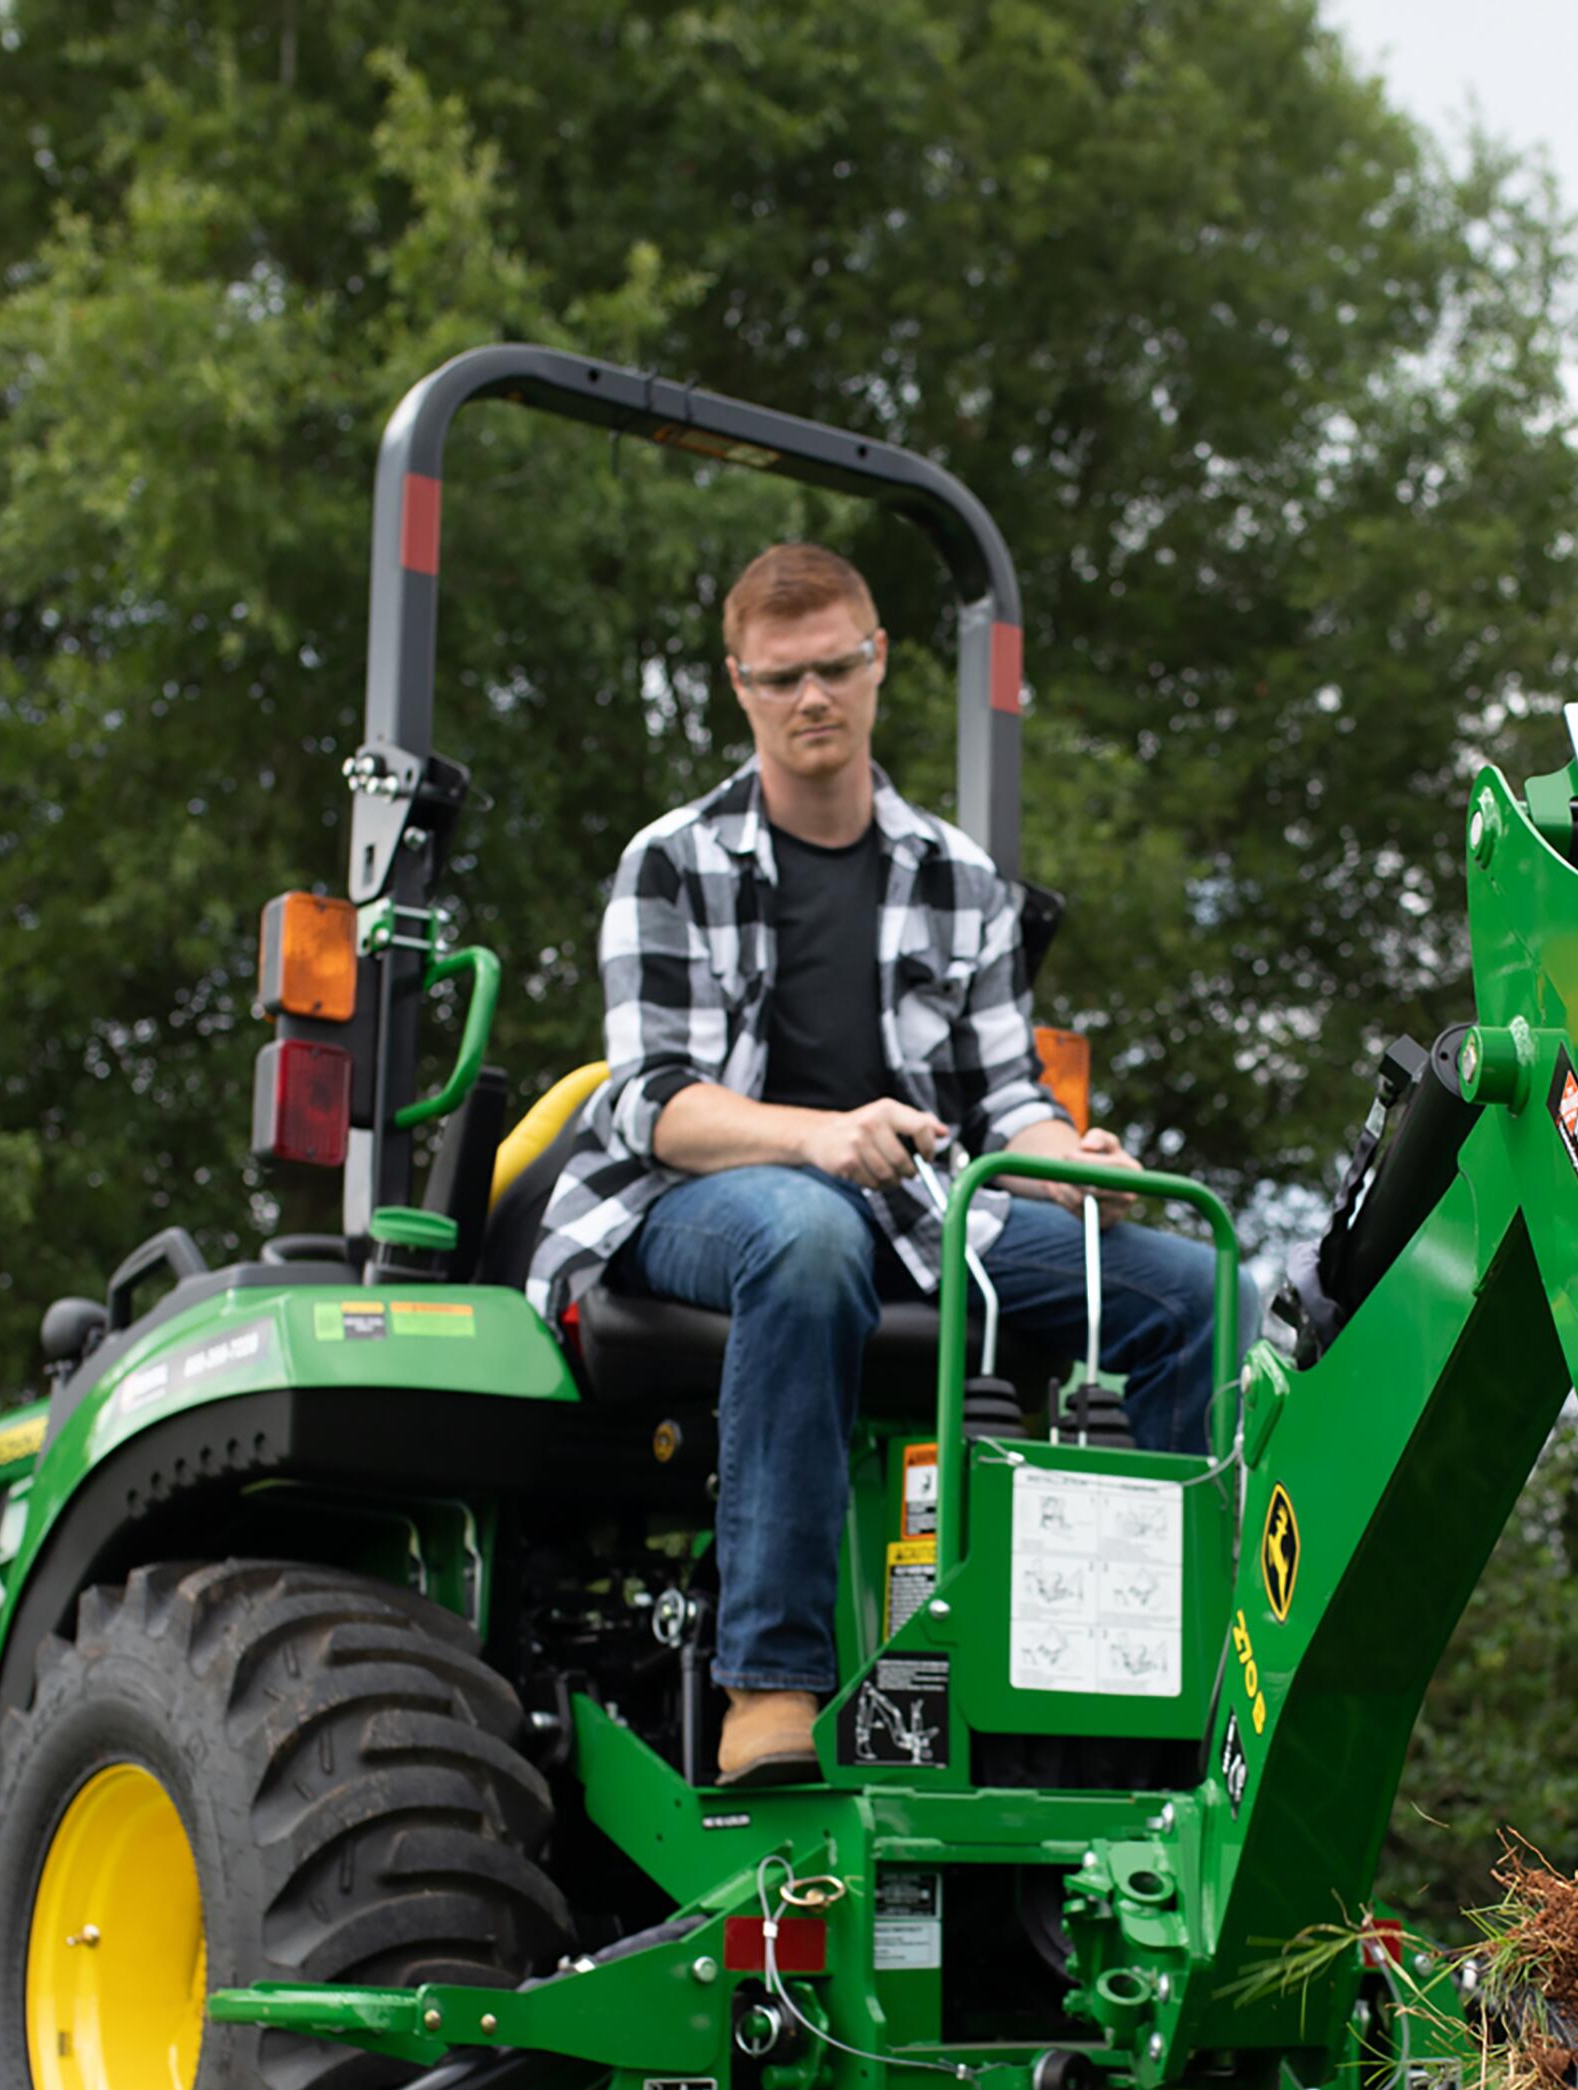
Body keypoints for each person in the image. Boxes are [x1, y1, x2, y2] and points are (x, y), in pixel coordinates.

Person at [523, 542, 1221, 1784]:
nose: (813, 700)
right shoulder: (670, 862)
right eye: (782, 678)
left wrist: (1072, 1160)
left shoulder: (958, 877)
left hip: (913, 1211)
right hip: (695, 1205)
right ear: (740, 686)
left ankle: (1139, 1685)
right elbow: (648, 1105)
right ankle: (770, 1691)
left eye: (835, 668)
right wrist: (812, 1135)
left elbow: (1008, 1096)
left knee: (1183, 1283)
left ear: (877, 660)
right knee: (808, 1233)